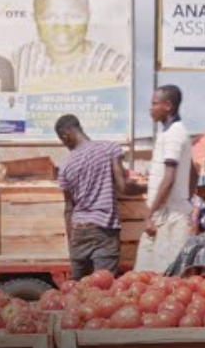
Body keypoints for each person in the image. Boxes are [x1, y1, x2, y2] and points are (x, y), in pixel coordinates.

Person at [55, 115, 145, 279]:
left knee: (77, 291)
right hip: (103, 231)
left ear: (65, 135)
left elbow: (69, 208)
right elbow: (123, 187)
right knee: (102, 291)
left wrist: (72, 242)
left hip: (78, 231)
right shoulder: (109, 148)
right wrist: (148, 186)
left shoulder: (65, 165)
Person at [13, 0, 129, 87]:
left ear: (88, 16)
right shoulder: (22, 58)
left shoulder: (116, 67)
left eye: (73, 16)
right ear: (35, 18)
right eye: (50, 16)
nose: (62, 26)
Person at [135, 85, 194, 273]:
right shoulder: (171, 133)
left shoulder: (174, 134)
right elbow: (194, 170)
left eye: (154, 103)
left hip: (168, 218)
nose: (150, 108)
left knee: (164, 279)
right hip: (167, 214)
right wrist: (184, 198)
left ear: (167, 105)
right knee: (148, 277)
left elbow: (168, 178)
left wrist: (150, 214)